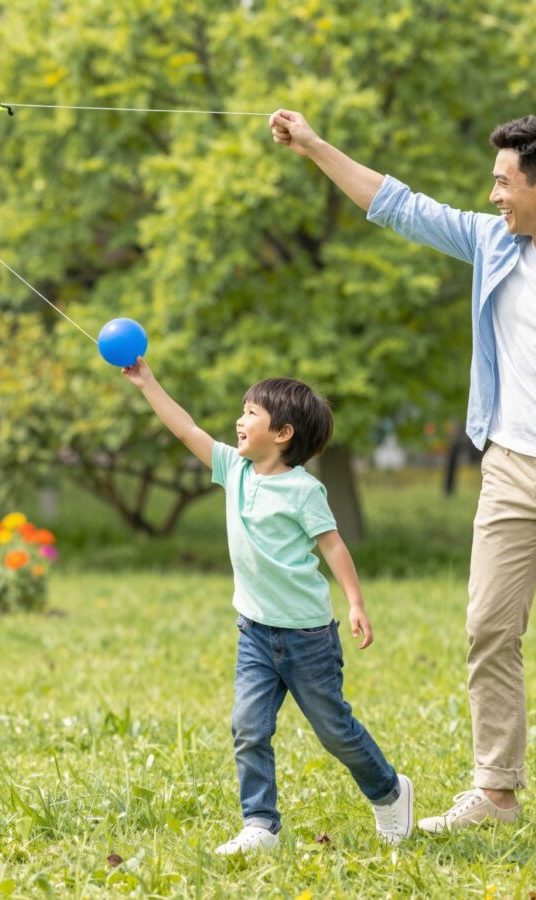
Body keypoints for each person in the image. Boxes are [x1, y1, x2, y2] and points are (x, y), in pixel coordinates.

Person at [269, 110, 536, 838]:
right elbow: (397, 205)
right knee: (487, 629)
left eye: (503, 182)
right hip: (507, 466)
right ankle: (496, 790)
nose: (493, 195)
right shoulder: (494, 246)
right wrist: (313, 146)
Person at [122, 357, 413, 854]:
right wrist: (147, 381)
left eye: (251, 412)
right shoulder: (233, 469)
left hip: (307, 638)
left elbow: (334, 546)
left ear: (282, 433)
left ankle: (390, 791)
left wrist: (357, 603)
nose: (239, 420)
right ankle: (260, 824)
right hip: (255, 633)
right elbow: (185, 427)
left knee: (335, 731)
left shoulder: (304, 491)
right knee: (248, 727)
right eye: (242, 410)